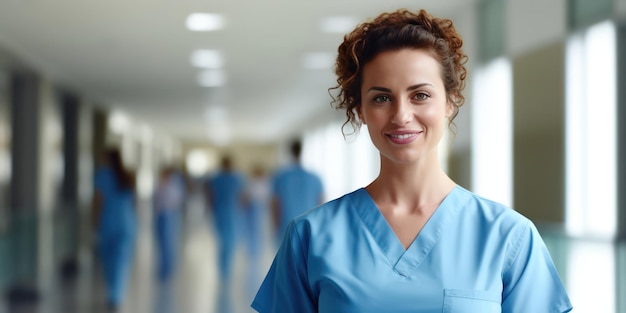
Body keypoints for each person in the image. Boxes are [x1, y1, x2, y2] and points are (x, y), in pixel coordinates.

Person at [252, 8, 572, 313]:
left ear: (450, 101)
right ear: (360, 110)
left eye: (420, 95)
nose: (402, 115)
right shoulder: (310, 237)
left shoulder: (508, 237)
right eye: (381, 98)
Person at [92, 148, 137, 312]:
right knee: (121, 261)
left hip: (108, 222)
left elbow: (98, 201)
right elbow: (133, 201)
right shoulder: (128, 175)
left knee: (109, 261)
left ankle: (113, 293)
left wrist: (95, 222)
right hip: (126, 222)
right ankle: (116, 294)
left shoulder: (102, 175)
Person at [204, 155, 246, 313]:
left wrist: (209, 210)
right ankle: (225, 270)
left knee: (224, 242)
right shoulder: (237, 179)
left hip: (221, 213)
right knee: (229, 242)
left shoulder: (216, 179)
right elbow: (242, 197)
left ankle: (223, 269)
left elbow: (210, 196)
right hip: (232, 214)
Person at [270, 139, 324, 246]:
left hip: (286, 226)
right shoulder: (314, 178)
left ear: (290, 151)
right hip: (309, 226)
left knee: (286, 259)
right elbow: (321, 203)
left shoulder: (281, 176)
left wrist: (275, 226)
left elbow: (275, 204)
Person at [153, 166, 186, 284]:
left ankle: (168, 267)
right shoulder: (160, 185)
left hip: (168, 216)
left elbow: (176, 202)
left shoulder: (173, 187)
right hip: (160, 215)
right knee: (161, 241)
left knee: (168, 241)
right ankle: (163, 266)